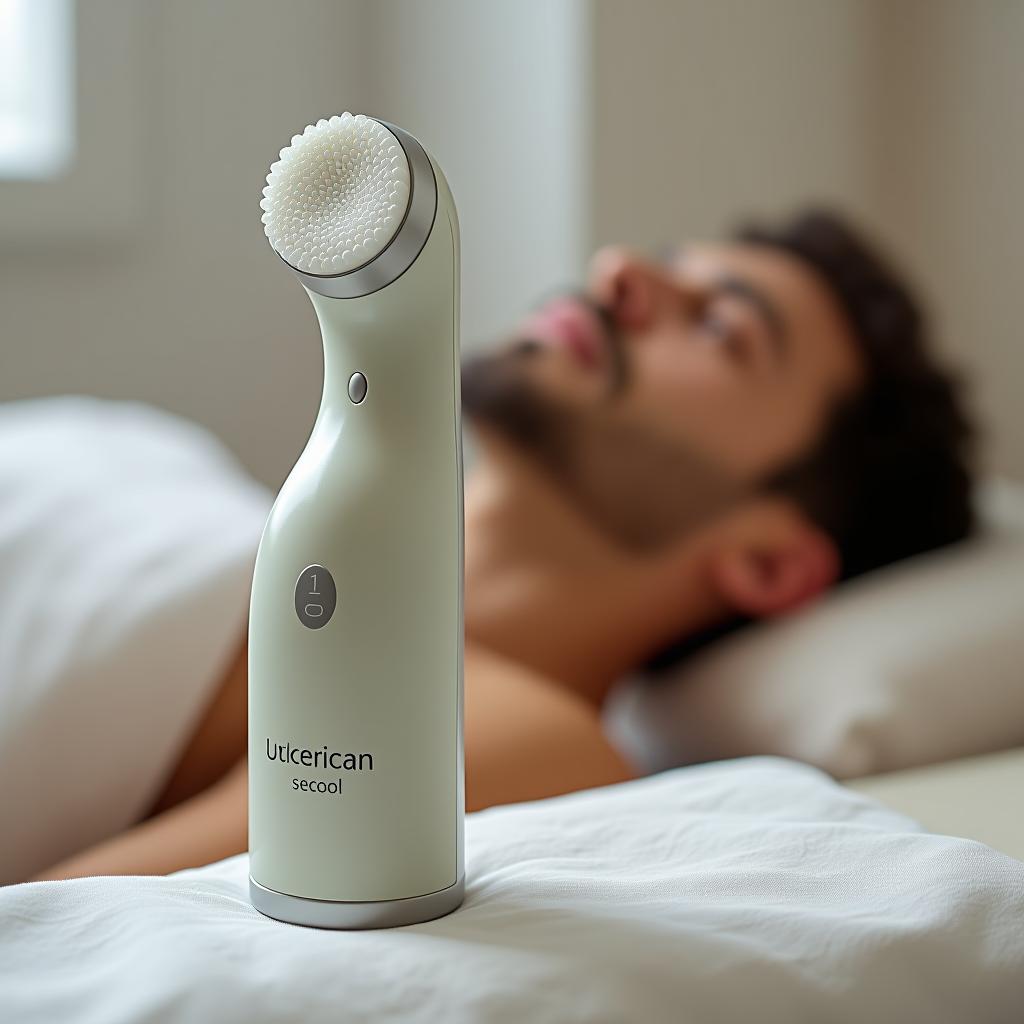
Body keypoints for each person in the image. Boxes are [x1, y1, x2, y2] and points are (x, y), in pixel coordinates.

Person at [33, 209, 974, 881]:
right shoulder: (160, 455)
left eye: (722, 327)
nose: (619, 270)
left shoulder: (501, 736)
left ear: (769, 561)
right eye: (666, 259)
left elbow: (44, 937)